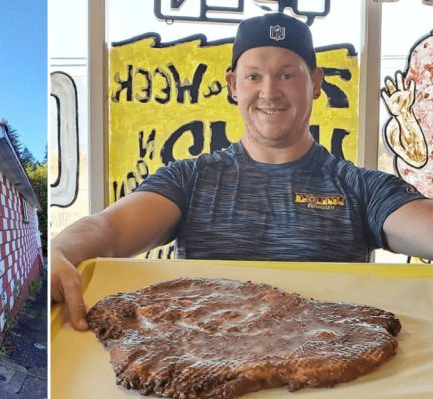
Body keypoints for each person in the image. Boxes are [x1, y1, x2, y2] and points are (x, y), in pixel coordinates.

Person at [51, 12, 433, 331]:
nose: (270, 92)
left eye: (287, 75)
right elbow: (106, 229)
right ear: (234, 85)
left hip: (331, 376)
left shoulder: (361, 188)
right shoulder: (189, 180)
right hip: (207, 374)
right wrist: (60, 251)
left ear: (315, 84)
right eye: (254, 77)